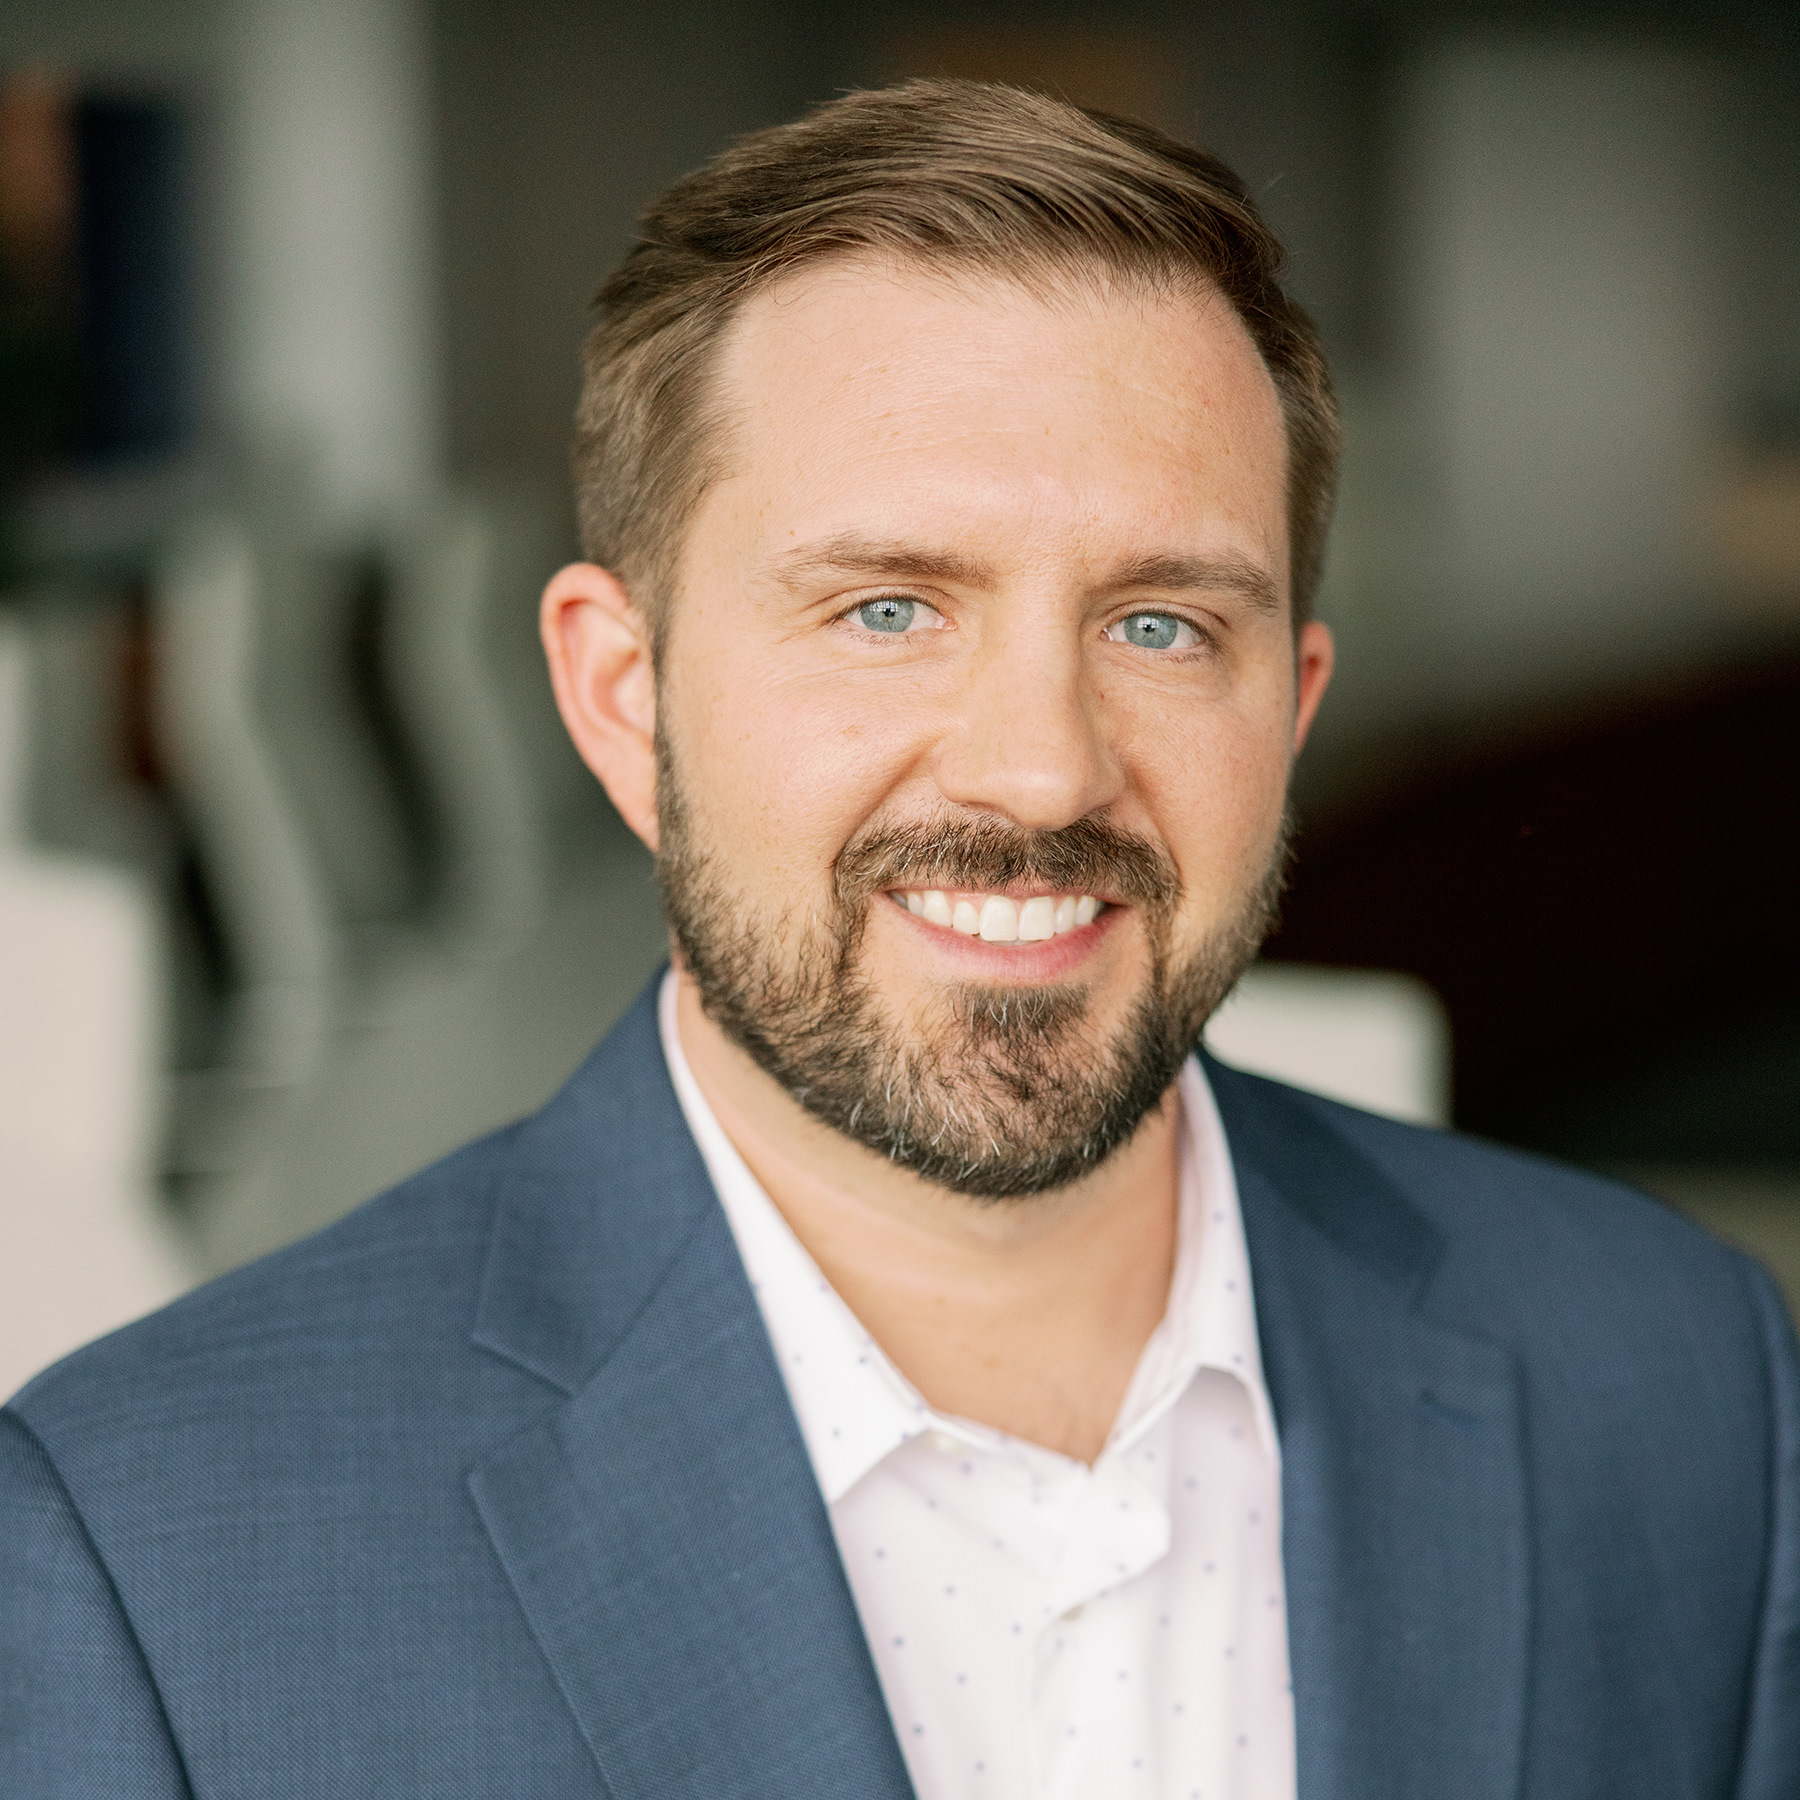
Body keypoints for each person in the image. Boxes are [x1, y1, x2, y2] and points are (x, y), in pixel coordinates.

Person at [2, 79, 1795, 1800]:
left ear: (1294, 709)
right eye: (886, 609)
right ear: (624, 697)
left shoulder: (1682, 1380)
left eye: (1162, 627)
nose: (1042, 768)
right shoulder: (149, 1549)